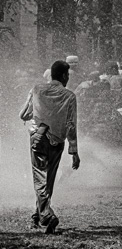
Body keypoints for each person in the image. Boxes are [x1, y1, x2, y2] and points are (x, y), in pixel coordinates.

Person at [19, 60, 80, 234]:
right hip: (57, 142)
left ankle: (40, 215)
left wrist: (38, 112)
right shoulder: (69, 96)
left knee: (39, 179)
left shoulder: (37, 89)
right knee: (48, 180)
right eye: (67, 75)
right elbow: (71, 125)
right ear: (63, 76)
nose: (68, 78)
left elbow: (23, 114)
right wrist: (74, 151)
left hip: (38, 137)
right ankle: (44, 215)